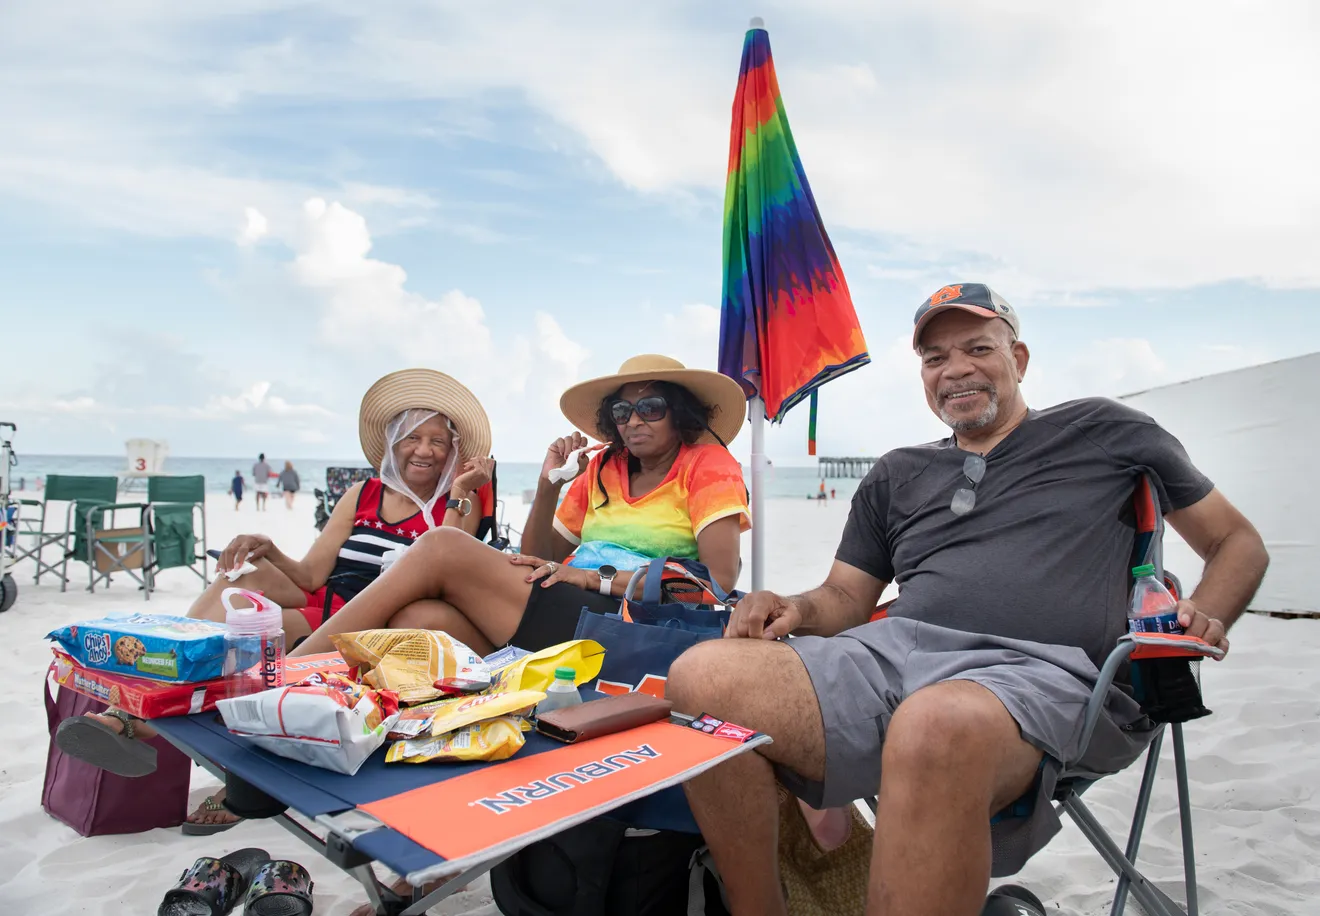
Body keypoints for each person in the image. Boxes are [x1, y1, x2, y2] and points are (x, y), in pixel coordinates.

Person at [664, 283, 1269, 916]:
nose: (955, 369)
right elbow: (845, 594)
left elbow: (1236, 541)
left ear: (1020, 359)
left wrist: (1210, 611)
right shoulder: (897, 473)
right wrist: (796, 607)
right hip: (893, 657)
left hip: (1048, 675)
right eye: (934, 358)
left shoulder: (1104, 430)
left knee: (934, 722)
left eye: (978, 348)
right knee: (701, 674)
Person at [54, 368, 495, 833]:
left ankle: (189, 741)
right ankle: (136, 707)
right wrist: (268, 547)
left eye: (437, 442)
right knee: (241, 585)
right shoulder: (363, 494)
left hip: (381, 619)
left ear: (453, 453)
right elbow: (310, 574)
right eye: (411, 437)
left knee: (262, 633)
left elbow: (451, 564)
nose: (423, 450)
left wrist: (461, 493)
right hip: (327, 601)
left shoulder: (463, 498)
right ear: (392, 443)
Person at [291, 354, 750, 660]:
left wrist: (593, 578)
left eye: (650, 407)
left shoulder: (707, 464)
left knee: (442, 546)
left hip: (639, 625)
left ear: (680, 412)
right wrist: (548, 483)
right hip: (576, 609)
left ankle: (298, 670)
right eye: (621, 411)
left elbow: (716, 583)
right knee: (419, 620)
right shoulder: (604, 468)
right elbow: (543, 557)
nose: (633, 420)